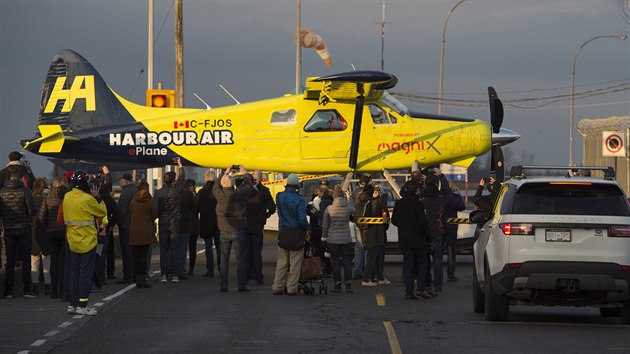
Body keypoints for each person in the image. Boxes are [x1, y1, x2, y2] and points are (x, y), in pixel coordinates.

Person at [62, 170, 107, 316]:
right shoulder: (87, 199)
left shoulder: (67, 197)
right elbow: (101, 213)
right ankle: (82, 304)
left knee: (73, 273)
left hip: (72, 240)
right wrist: (97, 197)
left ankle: (72, 304)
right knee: (85, 274)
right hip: (87, 241)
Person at [213, 165, 255, 292]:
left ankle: (224, 285)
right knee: (240, 258)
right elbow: (249, 186)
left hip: (224, 230)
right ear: (232, 185)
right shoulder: (239, 194)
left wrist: (224, 173)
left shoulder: (219, 195)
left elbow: (215, 186)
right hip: (238, 230)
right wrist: (246, 174)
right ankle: (242, 285)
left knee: (224, 259)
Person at [392, 181, 432, 299]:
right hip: (418, 239)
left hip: (404, 239)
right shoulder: (418, 204)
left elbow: (394, 220)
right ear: (417, 191)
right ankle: (421, 289)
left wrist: (403, 226)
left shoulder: (399, 203)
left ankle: (409, 291)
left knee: (408, 265)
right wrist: (427, 236)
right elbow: (422, 223)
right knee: (422, 263)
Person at [0, 169, 36, 298]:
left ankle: (8, 290)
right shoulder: (25, 191)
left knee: (10, 260)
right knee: (25, 260)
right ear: (21, 179)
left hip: (9, 228)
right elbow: (32, 210)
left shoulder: (1, 192)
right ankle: (27, 289)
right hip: (24, 228)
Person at [272, 173, 309, 295]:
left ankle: (277, 286)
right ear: (297, 185)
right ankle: (291, 287)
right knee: (295, 262)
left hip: (283, 231)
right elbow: (302, 220)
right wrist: (307, 229)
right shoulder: (299, 200)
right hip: (296, 233)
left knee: (282, 262)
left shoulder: (279, 196)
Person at [155, 158, 185, 283]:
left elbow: (156, 210)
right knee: (174, 249)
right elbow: (182, 180)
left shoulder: (158, 193)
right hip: (175, 222)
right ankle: (175, 274)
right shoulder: (176, 190)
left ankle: (163, 274)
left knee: (163, 250)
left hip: (163, 222)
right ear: (173, 181)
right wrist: (180, 166)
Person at [38, 175, 69, 299]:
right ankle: (62, 290)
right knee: (64, 262)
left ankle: (53, 291)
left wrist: (48, 226)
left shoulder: (48, 197)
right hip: (66, 231)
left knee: (54, 261)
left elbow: (41, 217)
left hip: (52, 232)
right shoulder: (68, 195)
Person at [321, 185, 355, 293]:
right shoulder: (347, 208)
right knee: (347, 262)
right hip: (346, 238)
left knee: (335, 262)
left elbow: (325, 225)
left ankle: (337, 284)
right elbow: (353, 208)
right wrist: (349, 198)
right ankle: (348, 284)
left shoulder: (329, 209)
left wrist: (324, 237)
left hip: (332, 239)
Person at [245, 170, 276, 285]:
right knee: (257, 251)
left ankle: (247, 274)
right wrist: (265, 215)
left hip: (246, 224)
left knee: (247, 251)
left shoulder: (245, 190)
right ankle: (258, 275)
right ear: (261, 177)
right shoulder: (264, 191)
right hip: (258, 224)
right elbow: (272, 207)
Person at [93, 167, 118, 291]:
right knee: (102, 252)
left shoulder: (88, 197)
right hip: (103, 227)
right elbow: (114, 212)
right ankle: (101, 278)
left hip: (91, 228)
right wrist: (108, 225)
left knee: (94, 253)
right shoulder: (106, 197)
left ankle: (94, 278)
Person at [359, 184, 389, 287]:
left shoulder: (361, 200)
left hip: (364, 230)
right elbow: (385, 217)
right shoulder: (376, 202)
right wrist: (383, 199)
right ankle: (366, 279)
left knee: (375, 256)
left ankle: (380, 277)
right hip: (375, 232)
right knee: (373, 256)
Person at [129, 181, 157, 288]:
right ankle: (143, 279)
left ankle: (137, 278)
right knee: (144, 256)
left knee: (135, 256)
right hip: (145, 231)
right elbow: (154, 215)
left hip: (134, 231)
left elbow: (130, 212)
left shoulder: (133, 201)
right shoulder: (149, 201)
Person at [422, 170, 445, 295]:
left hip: (425, 231)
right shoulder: (440, 199)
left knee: (424, 259)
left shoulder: (422, 200)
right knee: (437, 259)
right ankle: (438, 285)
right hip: (437, 230)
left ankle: (426, 283)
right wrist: (441, 176)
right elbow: (447, 192)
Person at [197, 169, 220, 277]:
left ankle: (210, 269)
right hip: (218, 221)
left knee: (208, 247)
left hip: (206, 221)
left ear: (205, 178)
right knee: (220, 247)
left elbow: (196, 207)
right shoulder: (218, 191)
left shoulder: (201, 192)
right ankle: (221, 268)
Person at [31, 177, 51, 296]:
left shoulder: (32, 199)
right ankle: (48, 286)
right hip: (46, 231)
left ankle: (35, 287)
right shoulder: (48, 199)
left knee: (34, 260)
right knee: (47, 259)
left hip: (33, 231)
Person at [116, 172, 137, 284]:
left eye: (120, 180)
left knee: (127, 252)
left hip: (126, 225)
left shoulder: (125, 193)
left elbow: (122, 210)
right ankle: (134, 274)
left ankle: (128, 276)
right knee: (134, 252)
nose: (119, 182)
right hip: (136, 225)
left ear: (125, 181)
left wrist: (119, 223)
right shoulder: (137, 190)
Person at [442, 182, 466, 282]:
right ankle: (450, 275)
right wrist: (458, 195)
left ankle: (436, 275)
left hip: (439, 227)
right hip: (451, 229)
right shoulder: (453, 198)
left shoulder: (439, 198)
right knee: (451, 252)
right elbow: (462, 207)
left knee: (437, 253)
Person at [351, 174, 371, 279]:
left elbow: (352, 206)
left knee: (359, 247)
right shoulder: (370, 192)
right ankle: (368, 270)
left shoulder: (355, 192)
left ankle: (357, 270)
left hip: (357, 220)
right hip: (369, 221)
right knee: (368, 246)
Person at [178, 178, 198, 278]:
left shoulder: (180, 193)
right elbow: (195, 207)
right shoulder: (190, 195)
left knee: (181, 247)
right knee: (190, 247)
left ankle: (178, 268)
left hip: (180, 224)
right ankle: (187, 268)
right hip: (190, 224)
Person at [186, 179, 201, 276]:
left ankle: (190, 267)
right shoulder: (193, 196)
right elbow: (197, 208)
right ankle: (190, 268)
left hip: (189, 225)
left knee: (188, 248)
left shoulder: (183, 195)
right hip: (193, 224)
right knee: (191, 248)